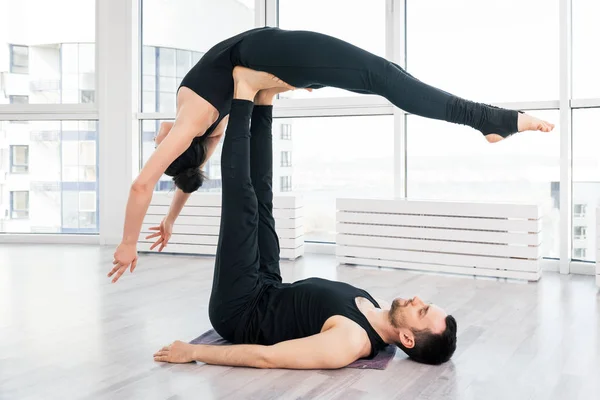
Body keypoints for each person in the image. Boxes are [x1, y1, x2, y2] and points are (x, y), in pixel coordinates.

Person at [109, 26, 554, 282]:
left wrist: (169, 221)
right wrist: (128, 243)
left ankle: (487, 122)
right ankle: (491, 120)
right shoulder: (195, 116)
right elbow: (141, 183)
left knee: (387, 75)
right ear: (180, 146)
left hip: (284, 58)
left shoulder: (202, 126)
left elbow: (188, 176)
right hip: (282, 54)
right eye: (160, 146)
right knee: (384, 76)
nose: (155, 140)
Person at [150, 77, 457, 368]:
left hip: (240, 310)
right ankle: (264, 98)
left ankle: (244, 92)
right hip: (268, 286)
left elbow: (268, 357)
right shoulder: (372, 306)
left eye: (422, 310)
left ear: (407, 338)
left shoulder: (350, 342)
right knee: (262, 197)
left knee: (242, 201)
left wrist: (193, 351)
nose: (418, 300)